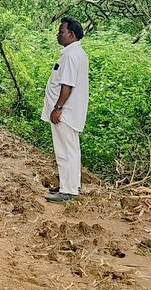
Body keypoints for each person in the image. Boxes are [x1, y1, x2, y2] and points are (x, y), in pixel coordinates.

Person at [41, 17, 89, 203]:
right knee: (71, 150)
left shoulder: (70, 56)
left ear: (71, 34)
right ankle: (70, 186)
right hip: (70, 112)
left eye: (61, 31)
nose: (58, 34)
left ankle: (68, 191)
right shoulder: (77, 53)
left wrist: (58, 108)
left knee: (65, 152)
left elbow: (67, 85)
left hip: (65, 113)